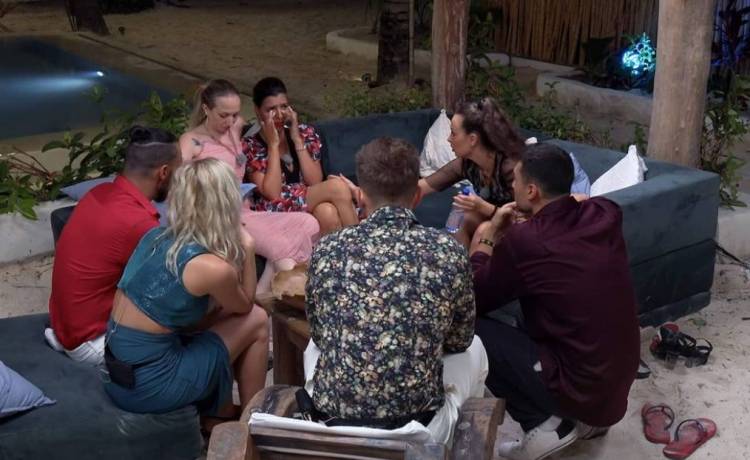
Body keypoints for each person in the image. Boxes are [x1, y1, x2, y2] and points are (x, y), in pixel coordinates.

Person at [303, 137, 487, 444]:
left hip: (334, 423)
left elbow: (321, 335)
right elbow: (459, 340)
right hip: (416, 428)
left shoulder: (327, 248)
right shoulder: (448, 251)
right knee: (476, 348)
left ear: (360, 196)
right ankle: (458, 445)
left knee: (314, 347)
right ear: (417, 196)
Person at [471, 143, 640, 460]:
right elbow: (581, 201)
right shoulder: (605, 213)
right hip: (613, 387)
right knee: (539, 306)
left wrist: (489, 235)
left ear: (531, 191)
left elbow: (472, 298)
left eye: (516, 181)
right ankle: (587, 422)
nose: (512, 186)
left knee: (472, 330)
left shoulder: (527, 241)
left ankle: (545, 425)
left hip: (579, 387)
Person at [103, 158, 269, 430]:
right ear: (225, 203)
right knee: (257, 320)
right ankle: (253, 426)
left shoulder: (155, 237)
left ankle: (219, 414)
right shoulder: (210, 267)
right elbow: (245, 305)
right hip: (151, 386)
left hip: (118, 374)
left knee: (218, 319)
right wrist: (248, 248)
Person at [46, 126, 181, 366]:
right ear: (163, 172)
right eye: (178, 171)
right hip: (91, 341)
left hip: (64, 326)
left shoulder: (100, 192)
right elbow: (170, 293)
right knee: (198, 325)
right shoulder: (137, 223)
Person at [179, 79, 319, 293]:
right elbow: (179, 185)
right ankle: (301, 299)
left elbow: (264, 128)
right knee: (281, 246)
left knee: (309, 223)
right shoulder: (191, 141)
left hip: (246, 210)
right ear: (206, 109)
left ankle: (262, 294)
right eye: (223, 115)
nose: (230, 121)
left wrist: (286, 126)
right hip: (218, 216)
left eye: (235, 114)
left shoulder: (236, 127)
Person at [244, 77, 359, 234]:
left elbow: (314, 181)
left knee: (327, 213)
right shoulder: (251, 146)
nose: (279, 115)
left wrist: (297, 139)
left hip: (306, 200)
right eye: (271, 109)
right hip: (274, 209)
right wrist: (273, 146)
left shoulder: (304, 132)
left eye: (284, 107)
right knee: (337, 187)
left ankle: (339, 249)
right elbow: (272, 194)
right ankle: (361, 242)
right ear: (257, 111)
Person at [418, 97, 526, 247]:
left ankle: (477, 261)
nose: (448, 139)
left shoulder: (511, 167)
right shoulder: (468, 164)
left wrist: (482, 207)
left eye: (453, 133)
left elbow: (524, 219)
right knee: (457, 217)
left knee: (484, 229)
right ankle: (459, 258)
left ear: (472, 139)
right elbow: (422, 187)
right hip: (496, 220)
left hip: (523, 229)